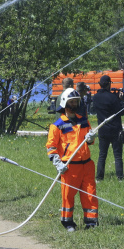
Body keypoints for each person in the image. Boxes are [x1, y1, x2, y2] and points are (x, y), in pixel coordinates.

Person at [46, 88, 98, 231]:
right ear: (65, 103)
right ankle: (68, 223)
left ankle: (91, 222)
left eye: (76, 102)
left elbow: (89, 142)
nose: (74, 104)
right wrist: (57, 163)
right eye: (71, 102)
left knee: (90, 193)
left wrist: (91, 138)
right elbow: (51, 147)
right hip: (70, 167)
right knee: (68, 195)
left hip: (87, 165)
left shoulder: (84, 121)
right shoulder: (57, 125)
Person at [92, 75, 124, 181]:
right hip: (115, 130)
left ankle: (99, 178)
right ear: (109, 84)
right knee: (117, 155)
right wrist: (120, 100)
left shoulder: (95, 97)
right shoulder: (113, 98)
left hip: (102, 130)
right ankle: (120, 177)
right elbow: (121, 112)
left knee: (102, 155)